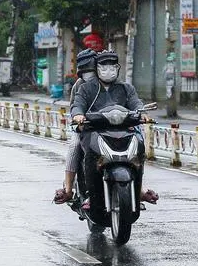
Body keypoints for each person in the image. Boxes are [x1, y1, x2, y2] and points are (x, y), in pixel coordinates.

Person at [70, 50, 158, 210]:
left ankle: (138, 190)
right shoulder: (86, 88)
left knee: (139, 148)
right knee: (87, 152)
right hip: (94, 130)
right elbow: (77, 105)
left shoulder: (126, 88)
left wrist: (143, 113)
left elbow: (136, 103)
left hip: (124, 129)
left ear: (117, 68)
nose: (108, 70)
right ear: (97, 68)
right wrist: (78, 116)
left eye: (112, 66)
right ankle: (90, 193)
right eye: (104, 66)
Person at [53, 49, 98, 204]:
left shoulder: (108, 83)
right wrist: (79, 118)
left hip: (107, 127)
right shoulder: (79, 85)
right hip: (84, 127)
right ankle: (68, 189)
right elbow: (74, 107)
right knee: (75, 145)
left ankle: (138, 189)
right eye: (85, 69)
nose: (88, 72)